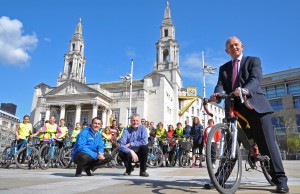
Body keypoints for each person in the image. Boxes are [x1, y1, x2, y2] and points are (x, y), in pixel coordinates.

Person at [210, 36, 289, 193]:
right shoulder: (223, 68)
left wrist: (245, 90)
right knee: (229, 145)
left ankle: (280, 178)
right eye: (231, 46)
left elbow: (255, 79)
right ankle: (220, 178)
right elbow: (220, 85)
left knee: (267, 143)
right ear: (227, 51)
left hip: (255, 107)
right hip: (235, 110)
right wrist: (216, 94)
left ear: (242, 46)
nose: (234, 48)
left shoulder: (253, 61)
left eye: (236, 45)